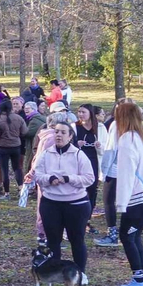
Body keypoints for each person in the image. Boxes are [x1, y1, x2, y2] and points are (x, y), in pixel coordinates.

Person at [32, 118, 95, 276]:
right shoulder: (46, 154)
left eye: (63, 132)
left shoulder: (79, 155)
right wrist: (49, 179)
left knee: (77, 240)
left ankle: (80, 275)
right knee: (53, 241)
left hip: (76, 204)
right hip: (51, 203)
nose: (58, 135)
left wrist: (69, 179)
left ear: (70, 136)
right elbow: (37, 175)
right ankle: (54, 275)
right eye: (56, 132)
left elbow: (89, 178)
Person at [108, 101, 143, 286]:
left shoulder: (127, 140)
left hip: (136, 197)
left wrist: (121, 204)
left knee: (127, 236)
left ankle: (140, 279)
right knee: (134, 236)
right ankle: (141, 277)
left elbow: (126, 173)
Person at [73, 105, 101, 233]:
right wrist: (76, 144)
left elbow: (107, 145)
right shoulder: (75, 127)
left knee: (92, 189)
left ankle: (87, 220)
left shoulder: (99, 127)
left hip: (94, 161)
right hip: (78, 161)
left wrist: (99, 145)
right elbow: (69, 144)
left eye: (83, 112)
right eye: (79, 112)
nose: (80, 114)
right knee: (79, 188)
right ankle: (78, 219)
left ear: (90, 113)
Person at [0, 98, 25, 197]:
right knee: (17, 168)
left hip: (3, 147)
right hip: (16, 146)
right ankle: (21, 188)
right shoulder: (18, 118)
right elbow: (24, 131)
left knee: (4, 169)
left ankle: (7, 193)